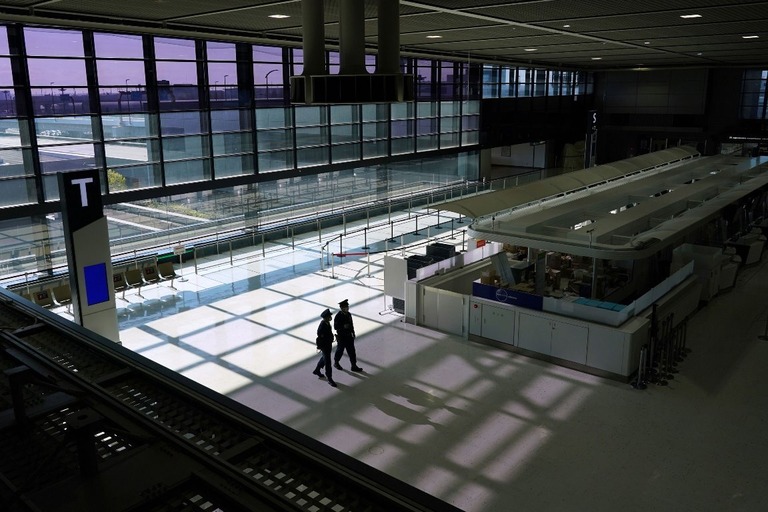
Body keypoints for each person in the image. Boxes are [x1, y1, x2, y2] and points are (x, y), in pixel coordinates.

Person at [334, 299, 363, 372]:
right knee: (340, 351)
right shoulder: (338, 316)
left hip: (349, 336)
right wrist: (343, 326)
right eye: (345, 307)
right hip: (342, 337)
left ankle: (354, 365)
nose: (347, 308)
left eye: (347, 307)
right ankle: (336, 362)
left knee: (352, 352)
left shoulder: (349, 314)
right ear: (341, 308)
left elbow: (351, 324)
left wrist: (353, 332)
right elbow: (335, 327)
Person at [313, 308, 337, 387]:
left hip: (328, 345)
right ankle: (330, 378)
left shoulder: (327, 323)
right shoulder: (323, 325)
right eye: (329, 316)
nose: (330, 317)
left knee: (324, 358)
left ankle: (317, 370)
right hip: (325, 346)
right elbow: (320, 335)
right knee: (328, 362)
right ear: (326, 317)